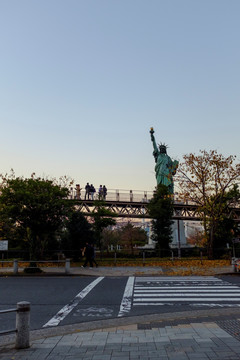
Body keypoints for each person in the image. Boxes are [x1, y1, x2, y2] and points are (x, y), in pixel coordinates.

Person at [150, 127, 178, 194]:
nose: (161, 149)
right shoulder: (158, 155)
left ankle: (167, 197)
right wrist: (152, 135)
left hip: (166, 173)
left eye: (163, 148)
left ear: (165, 150)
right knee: (160, 187)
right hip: (159, 173)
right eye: (161, 148)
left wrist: (175, 165)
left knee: (167, 187)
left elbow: (172, 167)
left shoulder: (168, 158)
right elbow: (154, 145)